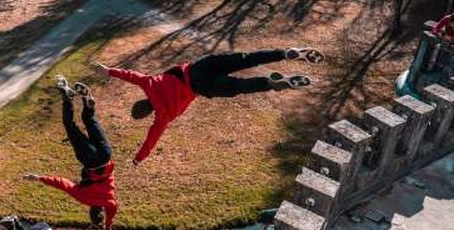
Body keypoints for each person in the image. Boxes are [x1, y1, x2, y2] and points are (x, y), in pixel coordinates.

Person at [90, 47, 325, 165]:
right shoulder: (148, 83)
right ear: (141, 101)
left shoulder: (162, 116)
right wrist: (106, 70)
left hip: (203, 87)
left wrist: (139, 158)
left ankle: (272, 84)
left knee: (240, 87)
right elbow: (129, 75)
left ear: (148, 113)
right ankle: (285, 53)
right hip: (199, 67)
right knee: (248, 58)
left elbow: (152, 139)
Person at [24, 75, 119, 230]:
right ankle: (67, 97)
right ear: (90, 210)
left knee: (89, 119)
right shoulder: (84, 198)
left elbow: (111, 214)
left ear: (101, 210)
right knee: (70, 125)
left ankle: (88, 101)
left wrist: (108, 228)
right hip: (90, 161)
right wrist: (39, 178)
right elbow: (62, 183)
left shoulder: (111, 203)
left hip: (106, 155)